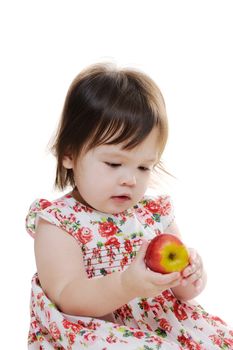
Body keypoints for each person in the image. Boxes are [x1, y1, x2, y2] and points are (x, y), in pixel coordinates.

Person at [26, 63, 233, 350]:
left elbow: (181, 291)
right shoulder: (58, 223)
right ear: (69, 154)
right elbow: (67, 296)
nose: (131, 180)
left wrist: (190, 276)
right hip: (97, 329)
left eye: (144, 166)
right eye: (113, 164)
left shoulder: (154, 214)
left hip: (161, 323)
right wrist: (126, 285)